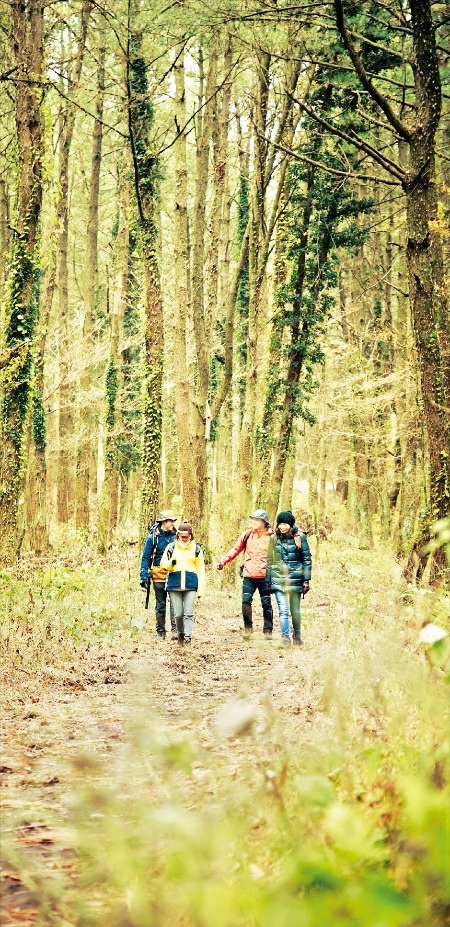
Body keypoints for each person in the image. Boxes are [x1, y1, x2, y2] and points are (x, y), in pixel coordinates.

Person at [217, 509, 275, 638]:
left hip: (265, 576)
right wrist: (223, 561)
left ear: (264, 522)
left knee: (266, 603)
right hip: (249, 574)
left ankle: (267, 631)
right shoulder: (248, 535)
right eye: (253, 519)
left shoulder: (272, 536)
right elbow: (236, 549)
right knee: (246, 601)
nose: (253, 522)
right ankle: (248, 629)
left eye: (257, 519)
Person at [269, 510, 312, 646]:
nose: (282, 527)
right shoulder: (273, 538)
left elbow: (306, 559)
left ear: (291, 525)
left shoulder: (300, 538)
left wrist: (306, 580)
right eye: (280, 524)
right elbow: (269, 560)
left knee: (295, 611)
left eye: (285, 524)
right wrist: (268, 580)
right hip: (278, 578)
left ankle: (297, 636)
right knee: (283, 610)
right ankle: (285, 639)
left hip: (295, 578)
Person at [160, 522, 206, 645]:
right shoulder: (171, 547)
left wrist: (201, 589)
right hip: (174, 583)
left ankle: (188, 638)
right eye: (182, 536)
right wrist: (171, 564)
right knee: (178, 613)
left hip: (191, 584)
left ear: (191, 535)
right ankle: (180, 634)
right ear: (178, 535)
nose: (184, 538)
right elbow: (163, 564)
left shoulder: (197, 549)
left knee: (189, 613)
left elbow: (200, 570)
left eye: (186, 536)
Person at [140, 510, 178, 640]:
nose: (172, 523)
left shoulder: (176, 536)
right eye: (170, 521)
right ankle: (160, 631)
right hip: (158, 573)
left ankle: (175, 630)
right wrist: (143, 574)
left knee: (175, 602)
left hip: (174, 573)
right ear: (163, 522)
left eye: (173, 521)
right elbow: (145, 557)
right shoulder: (153, 538)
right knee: (161, 603)